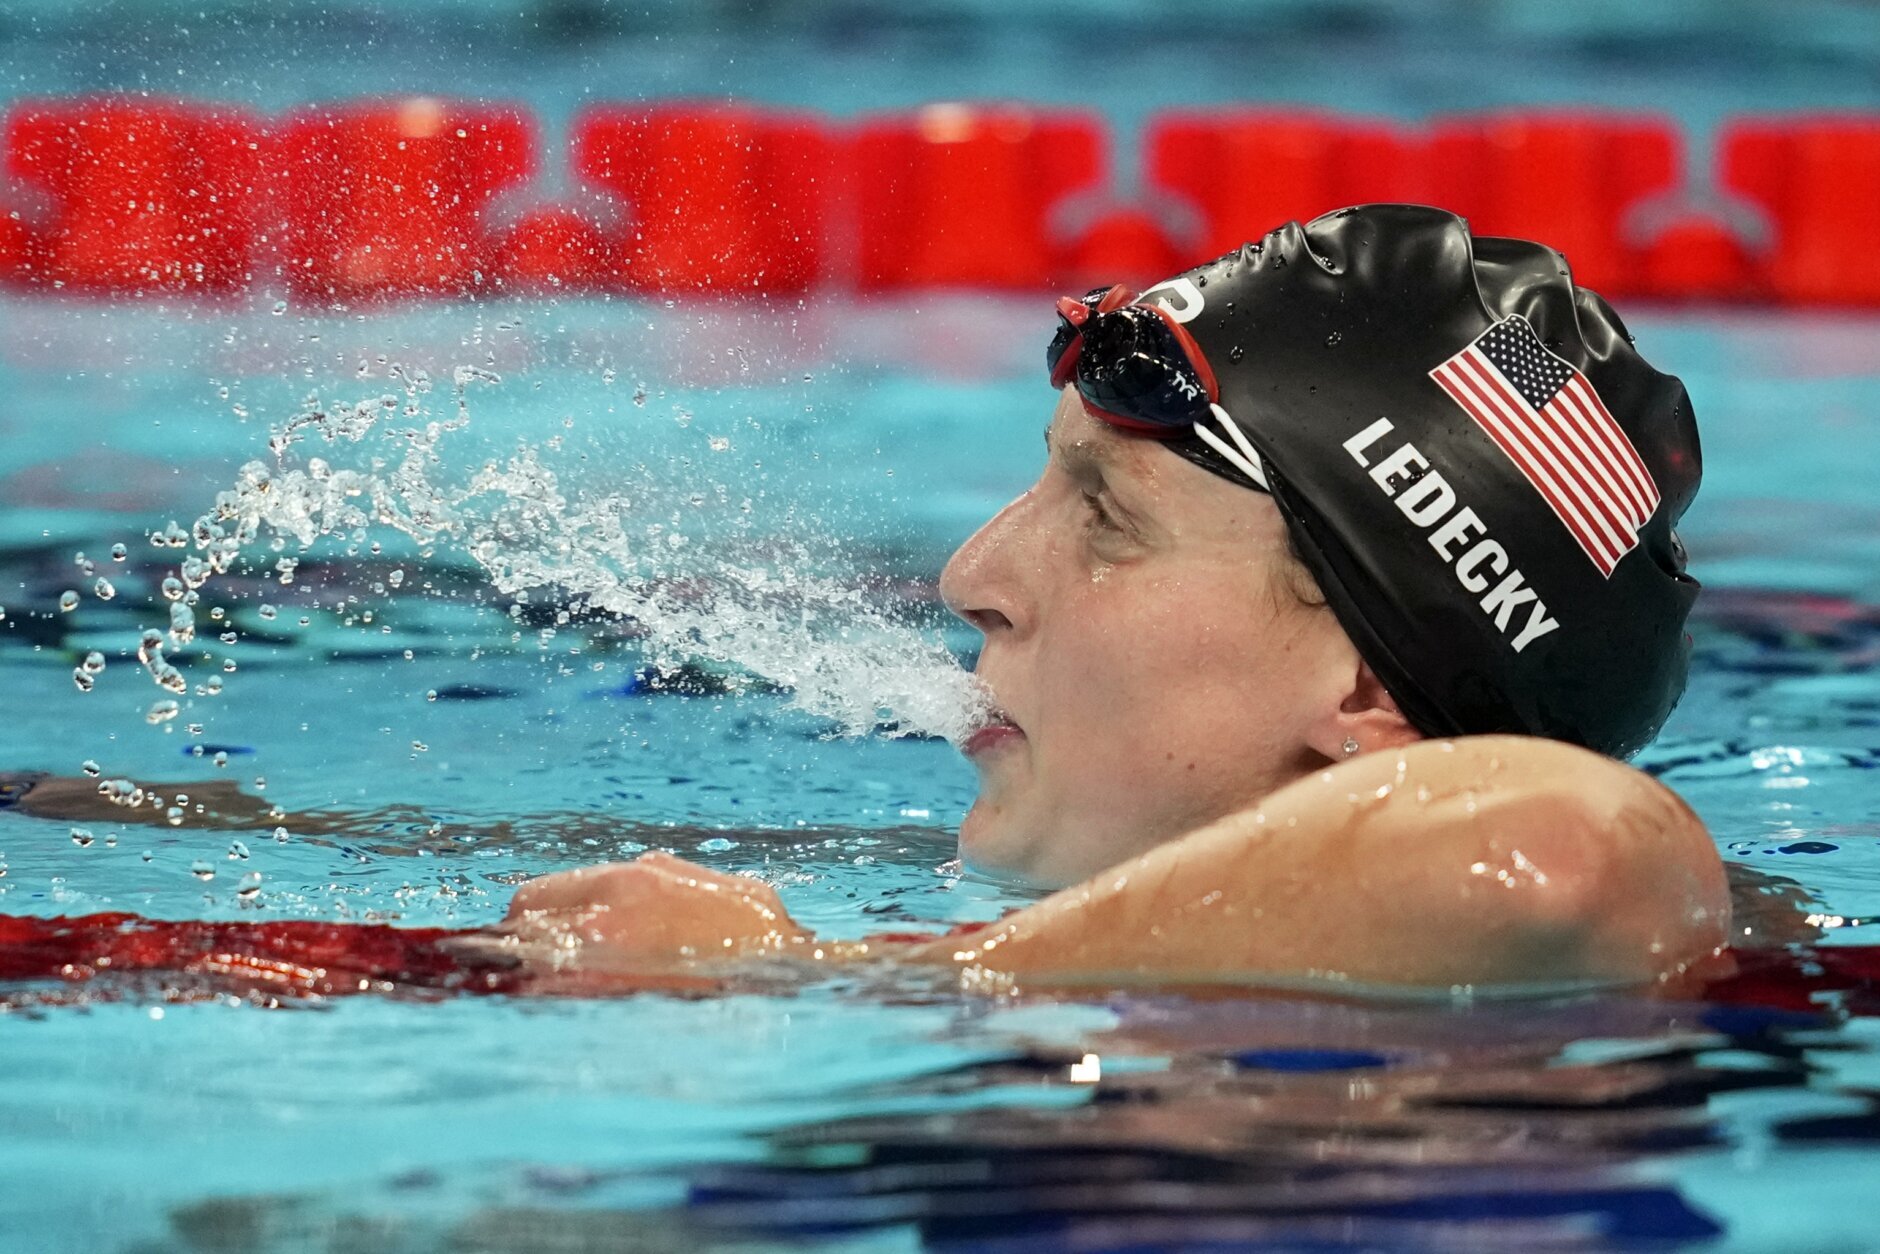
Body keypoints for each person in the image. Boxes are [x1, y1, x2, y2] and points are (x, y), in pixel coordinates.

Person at [1, 205, 1732, 999]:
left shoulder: (1612, 951)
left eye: (1105, 520)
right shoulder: (1100, 939)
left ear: (1366, 688)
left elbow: (1564, 847)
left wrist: (823, 976)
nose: (975, 575)